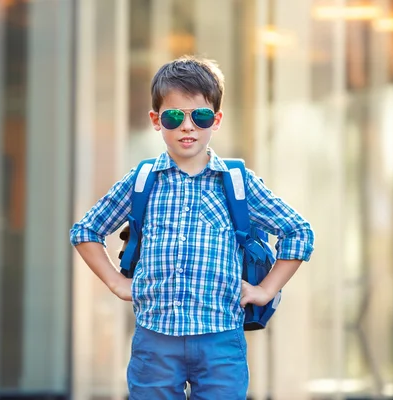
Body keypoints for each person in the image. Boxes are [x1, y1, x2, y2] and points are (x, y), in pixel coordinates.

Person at [69, 56, 315, 399]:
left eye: (199, 116)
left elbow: (298, 232)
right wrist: (116, 283)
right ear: (156, 120)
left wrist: (265, 290)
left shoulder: (237, 183)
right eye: (174, 116)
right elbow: (86, 231)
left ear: (216, 120)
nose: (187, 126)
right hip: (154, 339)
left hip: (220, 340)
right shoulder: (142, 182)